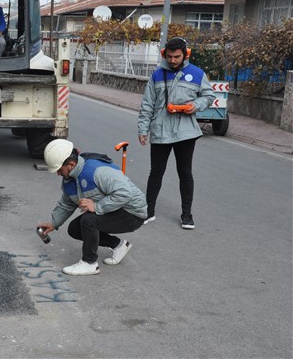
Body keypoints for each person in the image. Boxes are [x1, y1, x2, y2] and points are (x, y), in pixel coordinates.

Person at [36, 139, 147, 276]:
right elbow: (67, 203)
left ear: (71, 164)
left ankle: (89, 263)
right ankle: (118, 245)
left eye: (60, 170)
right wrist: (54, 223)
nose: (58, 174)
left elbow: (125, 193)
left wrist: (98, 206)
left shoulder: (96, 171)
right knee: (75, 229)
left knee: (89, 220)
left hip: (133, 213)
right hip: (115, 208)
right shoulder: (69, 180)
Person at [137, 37, 215, 230]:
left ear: (185, 54)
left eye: (177, 57)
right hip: (160, 131)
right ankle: (149, 210)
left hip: (185, 133)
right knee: (156, 173)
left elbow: (209, 95)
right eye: (170, 56)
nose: (173, 60)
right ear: (165, 54)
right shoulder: (156, 75)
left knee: (185, 173)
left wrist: (194, 106)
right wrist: (143, 129)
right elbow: (147, 104)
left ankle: (187, 215)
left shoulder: (197, 74)